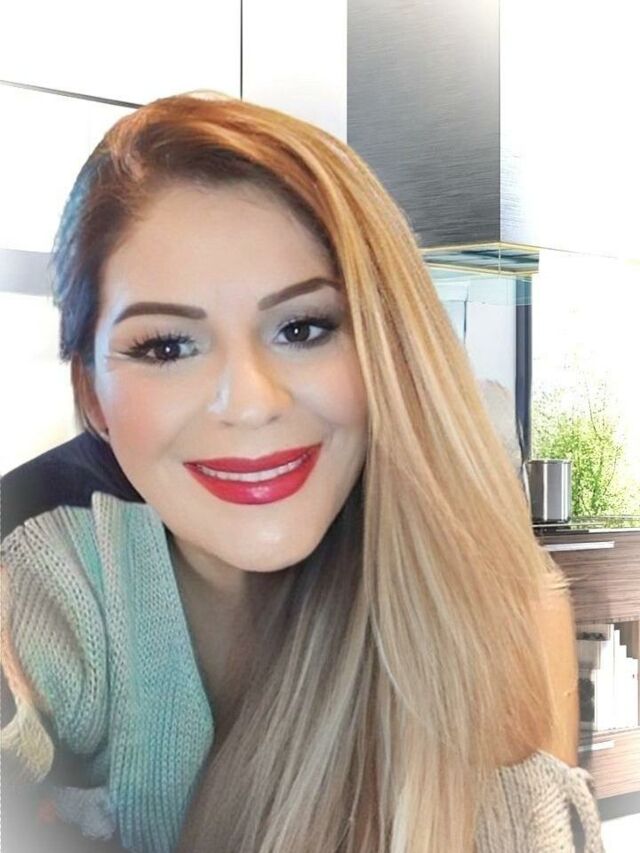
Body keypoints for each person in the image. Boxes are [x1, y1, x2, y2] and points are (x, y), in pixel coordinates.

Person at [0, 92, 604, 853]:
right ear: (93, 394)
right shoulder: (44, 572)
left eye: (302, 327)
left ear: (386, 348)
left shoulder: (495, 604)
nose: (251, 403)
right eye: (166, 346)